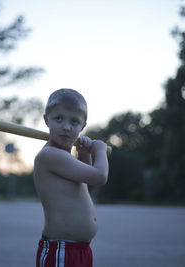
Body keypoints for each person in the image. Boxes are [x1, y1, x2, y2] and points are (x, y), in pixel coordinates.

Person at [34, 88, 109, 267]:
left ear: (82, 126)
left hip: (80, 249)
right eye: (58, 118)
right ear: (46, 119)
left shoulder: (65, 159)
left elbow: (83, 185)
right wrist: (100, 150)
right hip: (61, 250)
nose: (66, 127)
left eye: (74, 122)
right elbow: (99, 177)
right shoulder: (50, 155)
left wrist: (84, 154)